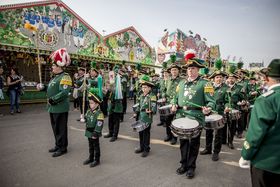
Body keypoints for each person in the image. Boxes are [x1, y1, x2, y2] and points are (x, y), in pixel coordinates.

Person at [171, 52, 215, 178]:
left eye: (193, 68)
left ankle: (191, 167)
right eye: (189, 68)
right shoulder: (181, 83)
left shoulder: (205, 84)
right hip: (181, 116)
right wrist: (174, 104)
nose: (190, 71)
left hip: (196, 117)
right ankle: (183, 164)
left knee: (194, 144)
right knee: (183, 142)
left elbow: (211, 101)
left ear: (198, 70)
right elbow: (175, 97)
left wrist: (209, 109)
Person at [240, 59, 280, 187]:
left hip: (267, 163)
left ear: (267, 78)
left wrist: (246, 155)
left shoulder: (266, 99)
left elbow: (256, 133)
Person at [38, 48, 72, 157]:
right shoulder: (55, 78)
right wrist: (43, 87)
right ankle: (57, 145)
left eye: (53, 65)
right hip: (53, 107)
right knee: (55, 127)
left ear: (59, 66)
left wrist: (53, 100)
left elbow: (64, 92)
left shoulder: (65, 77)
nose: (52, 67)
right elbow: (51, 88)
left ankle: (63, 148)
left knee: (61, 128)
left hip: (60, 107)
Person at [200, 69, 228, 161]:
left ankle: (216, 152)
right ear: (213, 79)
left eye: (220, 77)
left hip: (219, 113)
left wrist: (227, 107)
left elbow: (228, 101)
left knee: (218, 134)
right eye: (217, 77)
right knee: (208, 131)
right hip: (209, 112)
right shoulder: (209, 87)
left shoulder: (226, 88)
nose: (219, 79)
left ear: (223, 78)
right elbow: (205, 99)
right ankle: (208, 149)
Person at [134, 75, 157, 157]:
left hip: (147, 116)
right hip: (140, 116)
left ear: (149, 88)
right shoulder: (141, 95)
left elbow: (154, 105)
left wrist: (152, 110)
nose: (144, 89)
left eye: (145, 87)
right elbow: (138, 105)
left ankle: (146, 149)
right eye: (143, 87)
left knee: (146, 133)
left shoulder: (152, 96)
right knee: (140, 132)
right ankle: (141, 147)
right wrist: (136, 112)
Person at [162, 56, 182, 145]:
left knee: (175, 121)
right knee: (167, 120)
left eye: (175, 70)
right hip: (168, 102)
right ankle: (168, 135)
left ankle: (174, 137)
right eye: (172, 70)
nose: (174, 71)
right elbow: (164, 89)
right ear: (170, 71)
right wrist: (163, 95)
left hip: (177, 103)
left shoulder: (182, 80)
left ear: (178, 71)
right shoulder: (167, 80)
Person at [83, 88, 104, 167]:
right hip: (88, 132)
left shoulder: (99, 113)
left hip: (94, 132)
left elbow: (99, 124)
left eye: (92, 103)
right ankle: (91, 158)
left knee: (96, 146)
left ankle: (97, 159)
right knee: (90, 146)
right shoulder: (88, 111)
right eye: (89, 103)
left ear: (97, 104)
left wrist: (96, 132)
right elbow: (86, 118)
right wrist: (84, 118)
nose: (90, 104)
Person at [103, 65, 123, 142]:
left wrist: (113, 88)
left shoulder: (119, 83)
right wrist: (106, 89)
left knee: (116, 121)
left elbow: (119, 94)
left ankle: (115, 135)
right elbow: (107, 95)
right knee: (110, 120)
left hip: (117, 105)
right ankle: (110, 132)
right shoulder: (111, 83)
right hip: (111, 104)